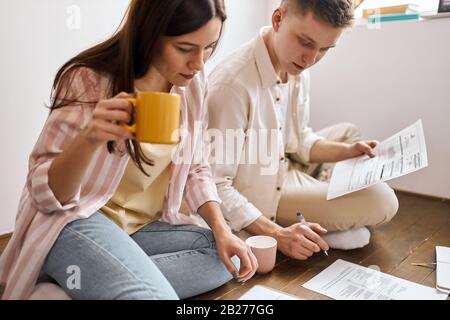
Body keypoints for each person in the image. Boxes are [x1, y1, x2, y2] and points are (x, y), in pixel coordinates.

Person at [0, 0, 258, 300]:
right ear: (149, 34)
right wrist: (89, 138)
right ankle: (99, 281)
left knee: (227, 257)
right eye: (185, 49)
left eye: (209, 47)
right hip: (74, 221)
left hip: (139, 229)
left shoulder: (191, 84)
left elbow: (196, 167)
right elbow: (45, 195)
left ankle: (70, 288)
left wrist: (221, 227)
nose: (199, 63)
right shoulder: (88, 79)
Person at [207, 0, 399, 261]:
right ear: (277, 19)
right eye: (306, 42)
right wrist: (276, 233)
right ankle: (320, 224)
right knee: (382, 200)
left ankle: (317, 219)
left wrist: (346, 151)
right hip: (262, 190)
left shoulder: (295, 65)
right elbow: (215, 184)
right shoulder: (232, 86)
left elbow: (299, 141)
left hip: (286, 161)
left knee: (349, 134)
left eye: (324, 49)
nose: (311, 59)